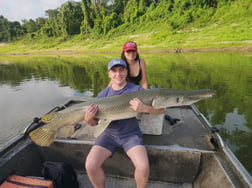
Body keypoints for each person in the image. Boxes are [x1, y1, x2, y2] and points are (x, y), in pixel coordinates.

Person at [84, 58, 163, 188]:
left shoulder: (137, 90)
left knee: (143, 167)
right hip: (108, 135)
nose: (118, 74)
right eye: (114, 71)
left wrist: (144, 108)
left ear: (126, 72)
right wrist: (88, 119)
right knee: (90, 165)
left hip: (130, 135)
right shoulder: (103, 95)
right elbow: (94, 123)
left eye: (121, 70)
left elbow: (161, 110)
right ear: (109, 74)